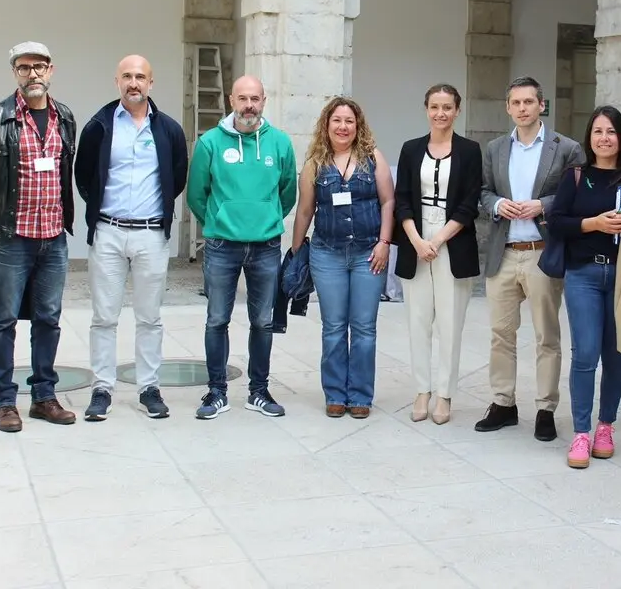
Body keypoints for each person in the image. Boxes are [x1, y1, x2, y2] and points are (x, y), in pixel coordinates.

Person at [74, 55, 189, 421]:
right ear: (117, 81)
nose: (134, 82)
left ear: (151, 83)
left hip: (150, 235)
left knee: (150, 317)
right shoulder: (99, 126)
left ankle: (148, 387)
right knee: (104, 317)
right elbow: (83, 175)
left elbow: (177, 178)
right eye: (127, 76)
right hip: (108, 231)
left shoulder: (168, 130)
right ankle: (102, 388)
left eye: (140, 76)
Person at [0, 41, 78, 432]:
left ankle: (43, 397)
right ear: (15, 73)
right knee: (3, 320)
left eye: (39, 66)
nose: (32, 73)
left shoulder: (64, 117)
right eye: (24, 67)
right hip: (11, 238)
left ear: (51, 70)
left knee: (48, 319)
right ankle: (4, 401)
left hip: (53, 237)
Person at [476, 76, 584, 441]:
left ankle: (545, 408)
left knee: (546, 336)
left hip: (542, 254)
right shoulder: (495, 148)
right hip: (504, 253)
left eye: (529, 102)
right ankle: (503, 403)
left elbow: (577, 196)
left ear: (542, 105)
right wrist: (497, 205)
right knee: (501, 334)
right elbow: (483, 192)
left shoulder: (566, 148)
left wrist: (543, 205)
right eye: (516, 103)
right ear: (508, 107)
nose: (522, 108)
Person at [187, 75, 297, 420]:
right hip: (222, 246)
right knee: (217, 319)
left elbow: (288, 192)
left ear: (264, 101)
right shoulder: (210, 143)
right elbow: (196, 194)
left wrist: (266, 219)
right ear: (231, 101)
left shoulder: (280, 143)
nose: (249, 105)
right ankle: (217, 392)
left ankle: (258, 391)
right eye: (243, 99)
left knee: (262, 321)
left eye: (255, 99)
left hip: (266, 246)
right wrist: (220, 221)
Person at [290, 97, 396, 419]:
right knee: (334, 327)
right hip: (327, 255)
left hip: (368, 255)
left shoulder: (373, 158)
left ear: (358, 125)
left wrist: (384, 242)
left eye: (349, 121)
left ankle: (360, 395)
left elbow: (388, 202)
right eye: (337, 120)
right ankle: (335, 394)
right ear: (327, 125)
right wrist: (296, 252)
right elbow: (305, 210)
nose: (343, 126)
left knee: (364, 328)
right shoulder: (314, 163)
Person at [547, 106, 621, 468]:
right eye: (598, 131)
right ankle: (581, 432)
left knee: (616, 354)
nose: (604, 138)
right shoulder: (576, 176)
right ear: (589, 137)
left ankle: (606, 427)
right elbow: (556, 222)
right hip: (583, 274)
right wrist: (593, 224)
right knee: (585, 354)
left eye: (611, 132)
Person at [393, 84, 482, 425]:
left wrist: (439, 239)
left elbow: (469, 204)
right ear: (426, 109)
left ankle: (444, 394)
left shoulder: (470, 151)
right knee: (418, 322)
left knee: (450, 323)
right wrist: (417, 240)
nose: (440, 113)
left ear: (457, 110)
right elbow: (402, 198)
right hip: (416, 238)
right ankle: (422, 390)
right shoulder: (411, 149)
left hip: (453, 241)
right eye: (434, 107)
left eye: (447, 107)